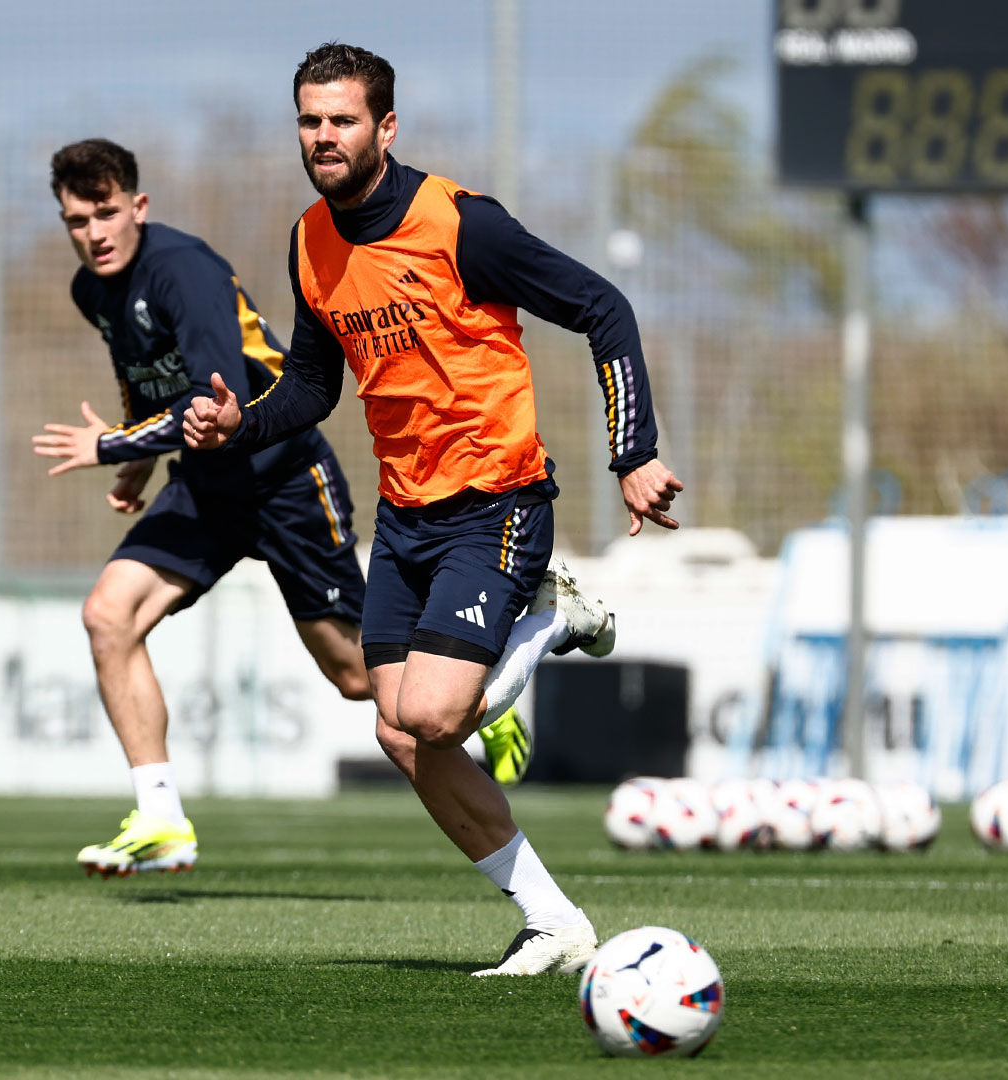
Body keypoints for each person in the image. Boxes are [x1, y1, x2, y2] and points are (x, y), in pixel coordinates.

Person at [184, 45, 685, 976]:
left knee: (438, 717)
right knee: (395, 727)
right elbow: (309, 386)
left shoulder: (460, 225)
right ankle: (554, 921)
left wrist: (635, 452)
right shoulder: (310, 242)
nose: (322, 137)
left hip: (497, 498)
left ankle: (550, 616)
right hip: (407, 513)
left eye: (341, 120)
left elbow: (601, 306)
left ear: (386, 127)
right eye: (309, 120)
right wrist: (236, 425)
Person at [33, 139, 535, 877]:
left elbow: (213, 399)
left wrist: (111, 445)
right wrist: (139, 462)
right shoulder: (94, 290)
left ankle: (481, 689)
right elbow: (151, 385)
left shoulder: (184, 271)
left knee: (362, 681)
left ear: (138, 207)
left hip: (282, 475)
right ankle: (162, 817)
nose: (94, 233)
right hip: (205, 485)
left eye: (107, 213)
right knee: (108, 616)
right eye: (77, 220)